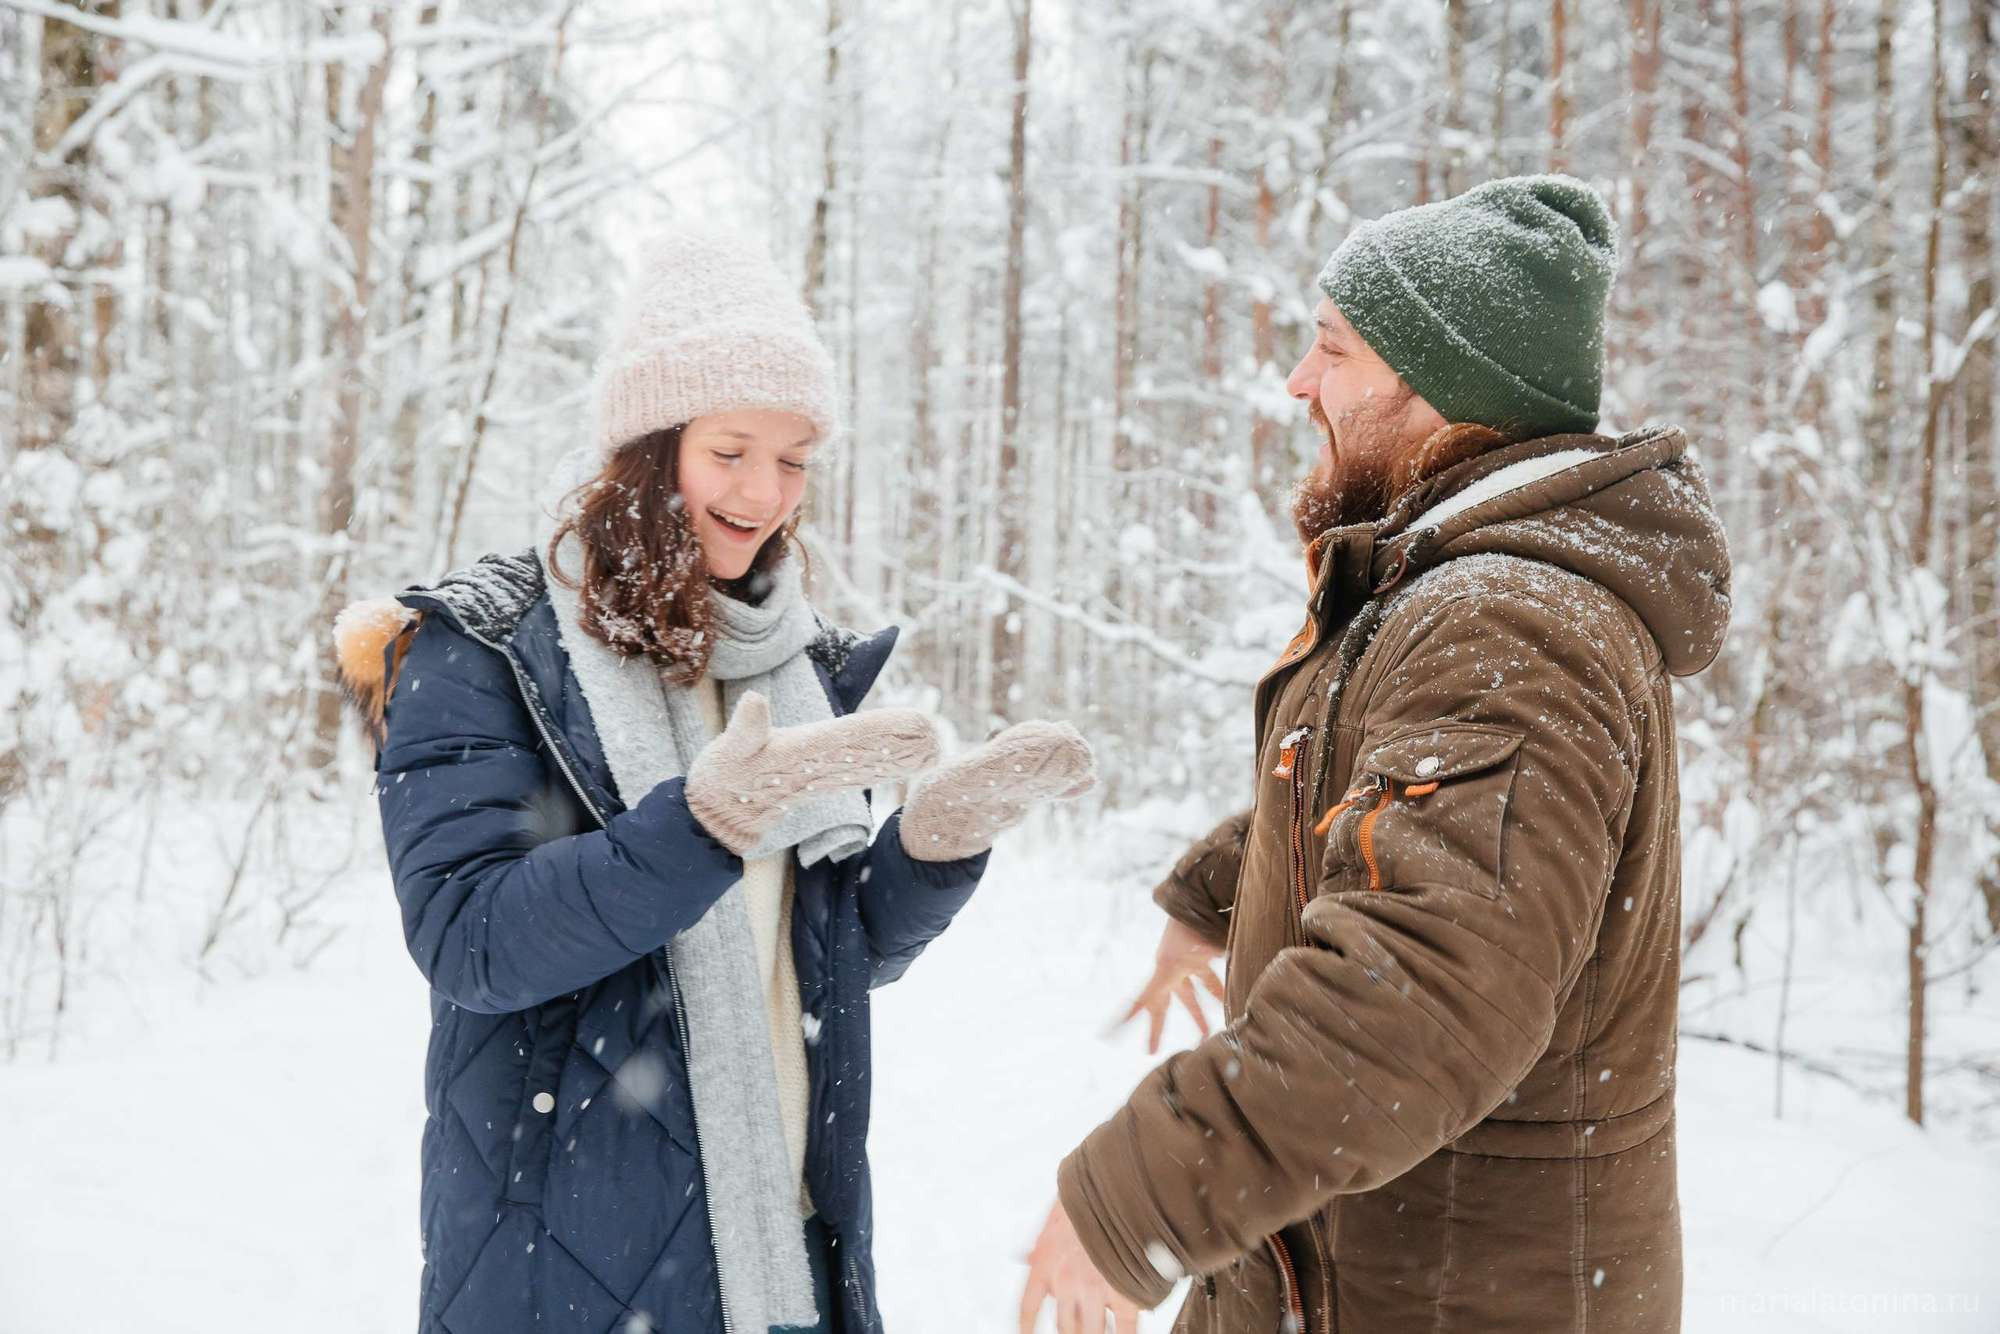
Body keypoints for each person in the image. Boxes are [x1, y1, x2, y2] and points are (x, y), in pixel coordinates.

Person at [334, 228, 1095, 1334]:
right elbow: (472, 938)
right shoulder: (489, 648)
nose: (763, 492)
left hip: (782, 1249)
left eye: (792, 459)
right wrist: (696, 825)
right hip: (566, 1265)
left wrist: (933, 846)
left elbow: (819, 960)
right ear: (650, 446)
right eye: (731, 449)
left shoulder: (792, 667)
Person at [1019, 175, 1732, 1333]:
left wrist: (1136, 1197)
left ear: (1442, 393)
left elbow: (1428, 983)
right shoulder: (1457, 593)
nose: (1299, 382)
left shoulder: (1507, 620)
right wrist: (1215, 894)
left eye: (1331, 350)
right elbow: (1387, 807)